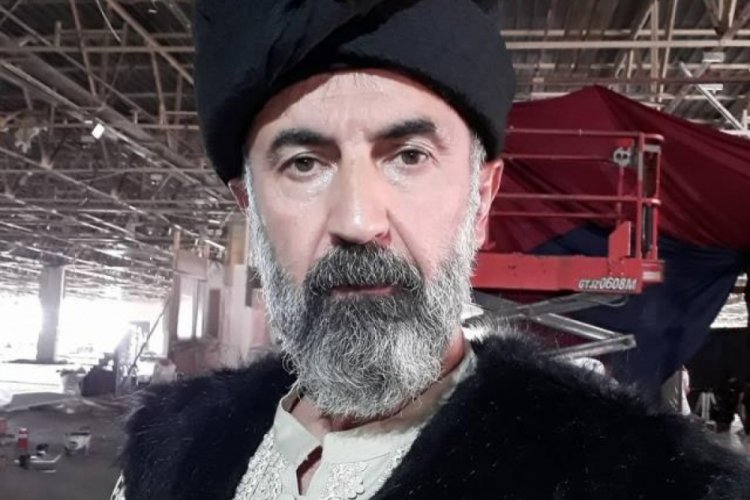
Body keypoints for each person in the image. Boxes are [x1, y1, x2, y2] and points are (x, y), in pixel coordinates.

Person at [116, 2, 750, 499]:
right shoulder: (170, 451)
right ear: (250, 210)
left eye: (409, 156)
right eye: (304, 163)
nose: (358, 221)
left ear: (482, 201)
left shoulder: (639, 480)